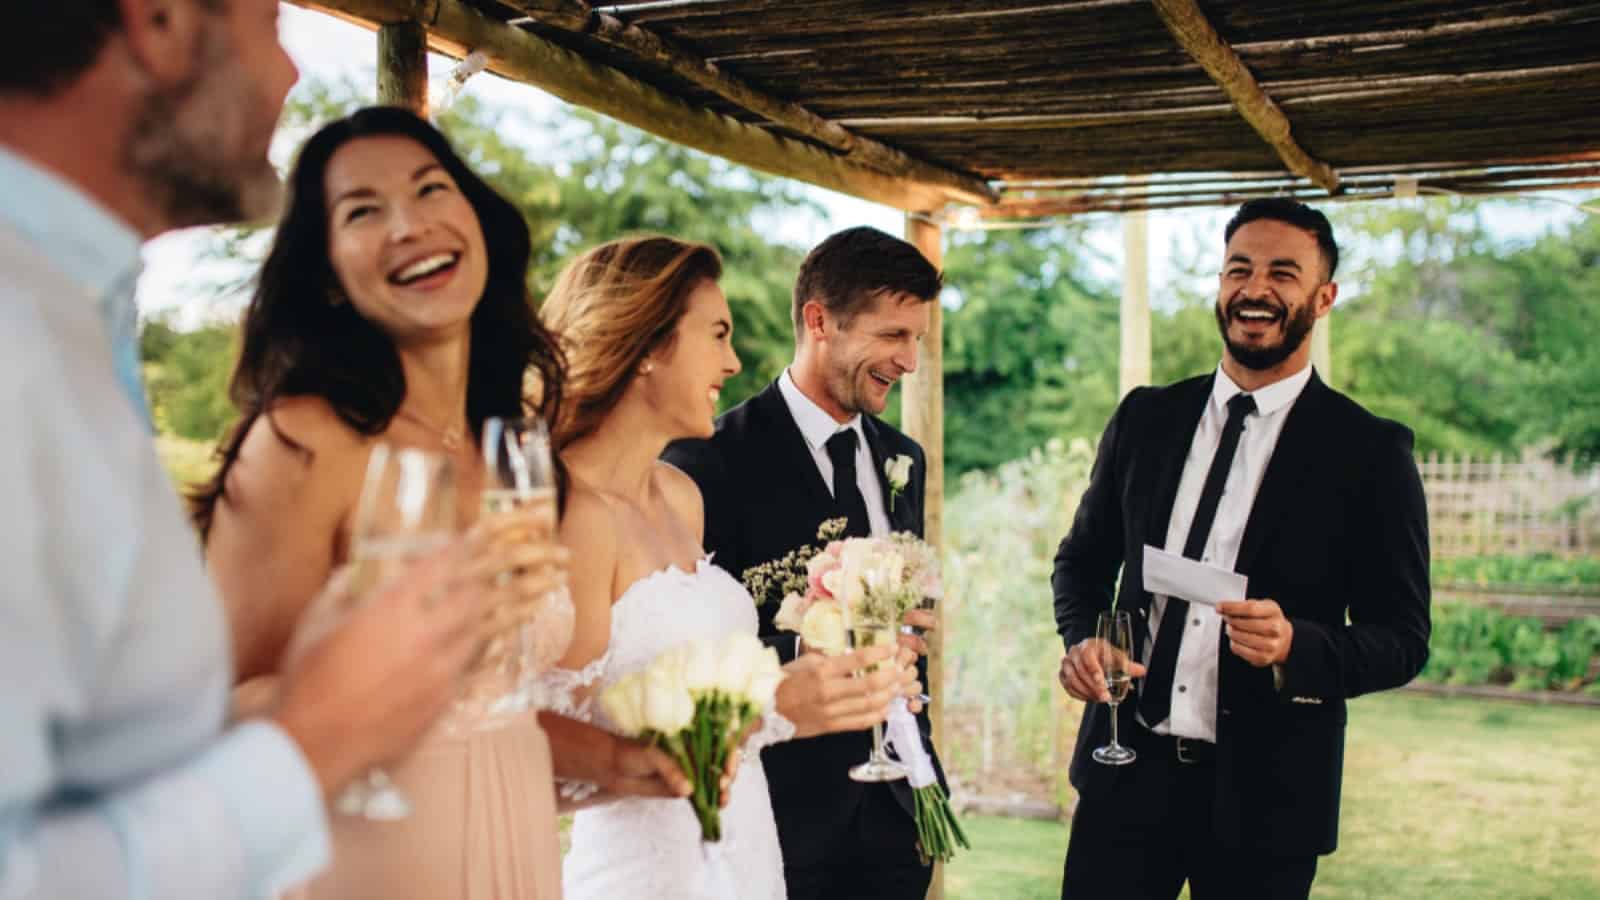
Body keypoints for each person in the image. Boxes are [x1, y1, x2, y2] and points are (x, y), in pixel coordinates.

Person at [0, 4, 496, 898]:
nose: (291, 75)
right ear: (160, 22)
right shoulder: (18, 345)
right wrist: (318, 736)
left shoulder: (75, 319)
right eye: (269, 23)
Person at [193, 108, 697, 899]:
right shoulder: (305, 438)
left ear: (478, 225)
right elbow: (216, 714)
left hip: (517, 854)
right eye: (364, 211)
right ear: (326, 268)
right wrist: (382, 651)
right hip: (367, 861)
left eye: (432, 189)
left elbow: (486, 699)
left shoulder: (510, 443)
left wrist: (614, 760)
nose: (411, 225)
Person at [1052, 198, 1432, 900]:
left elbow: (1405, 639)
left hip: (1270, 803)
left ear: (1324, 297)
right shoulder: (1146, 417)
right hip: (1125, 778)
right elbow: (1080, 562)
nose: (1255, 290)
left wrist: (1299, 644)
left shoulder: (1371, 452)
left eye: (1282, 273)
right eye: (1239, 270)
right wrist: (1083, 641)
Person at [539, 235, 917, 900]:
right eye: (717, 334)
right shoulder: (573, 516)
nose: (735, 360)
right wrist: (771, 703)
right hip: (649, 875)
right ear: (650, 346)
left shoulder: (679, 500)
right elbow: (534, 747)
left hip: (747, 856)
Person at [663, 226, 947, 900]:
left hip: (898, 810)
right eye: (892, 336)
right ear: (820, 321)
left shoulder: (903, 457)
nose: (910, 360)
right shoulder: (708, 462)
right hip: (781, 817)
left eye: (916, 338)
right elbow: (686, 654)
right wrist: (814, 645)